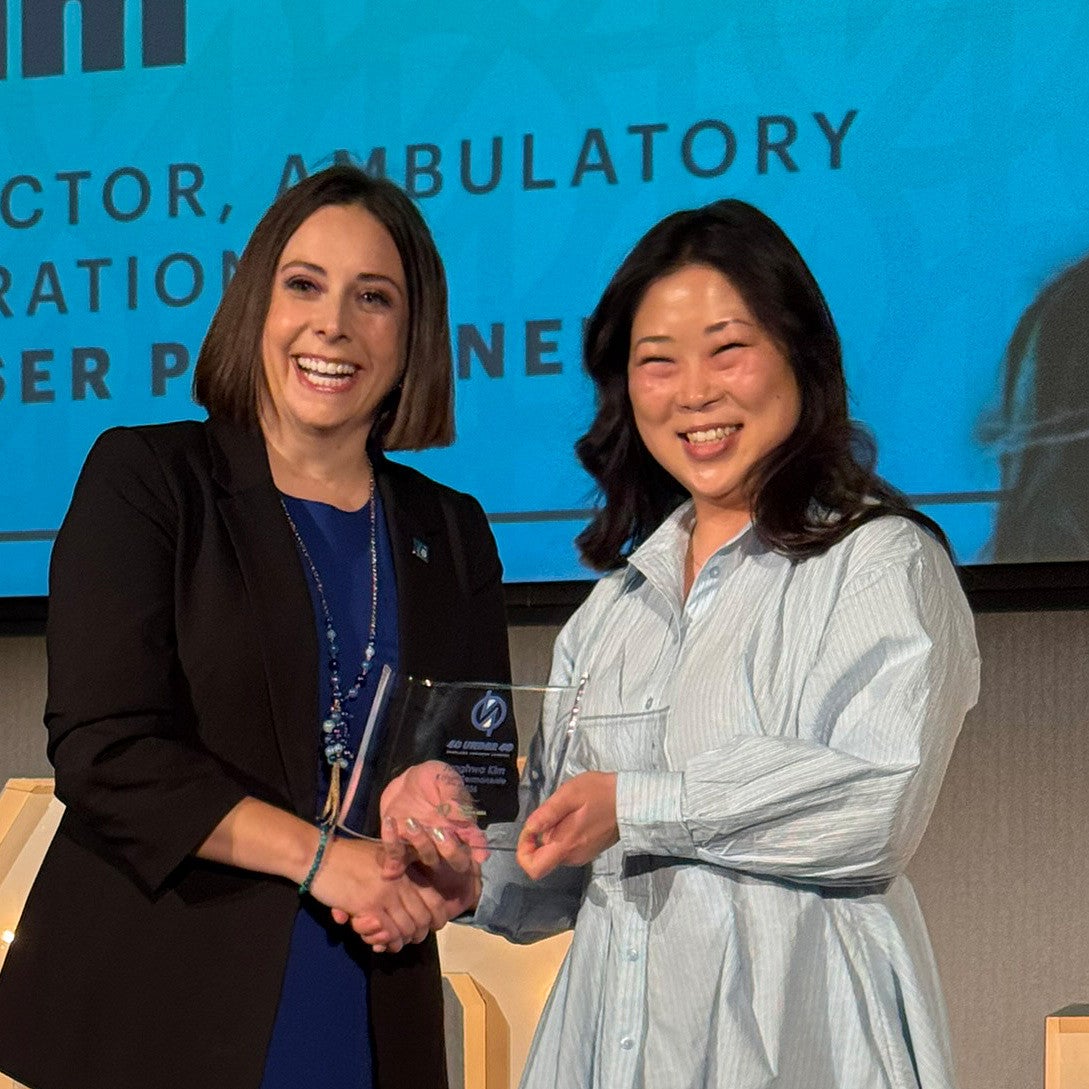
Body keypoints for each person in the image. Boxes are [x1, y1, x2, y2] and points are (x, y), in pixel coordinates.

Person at [0, 165, 509, 1089]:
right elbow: (106, 752)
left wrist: (450, 840)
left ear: (412, 338)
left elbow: (474, 771)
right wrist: (324, 859)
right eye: (303, 284)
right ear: (255, 307)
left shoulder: (452, 529)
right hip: (157, 1004)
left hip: (369, 1001)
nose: (333, 325)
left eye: (373, 298)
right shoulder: (149, 477)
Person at [469, 199, 981, 1088]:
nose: (694, 391)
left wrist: (637, 802)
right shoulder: (611, 610)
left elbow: (876, 803)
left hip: (803, 1050)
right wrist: (459, 863)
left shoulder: (879, 562)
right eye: (656, 361)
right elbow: (554, 864)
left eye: (727, 349)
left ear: (799, 354)